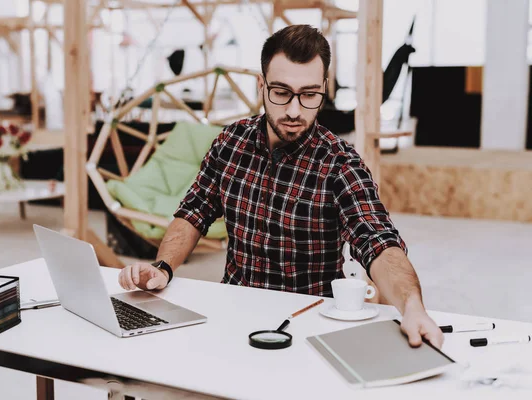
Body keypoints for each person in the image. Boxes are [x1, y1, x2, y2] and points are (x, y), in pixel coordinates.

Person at [118, 25, 443, 349]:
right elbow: (193, 211)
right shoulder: (230, 143)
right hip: (233, 308)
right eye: (281, 92)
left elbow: (377, 239)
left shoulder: (340, 164)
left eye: (309, 94)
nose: (293, 110)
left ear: (324, 89)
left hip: (308, 320)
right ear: (261, 85)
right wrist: (163, 267)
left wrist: (412, 307)